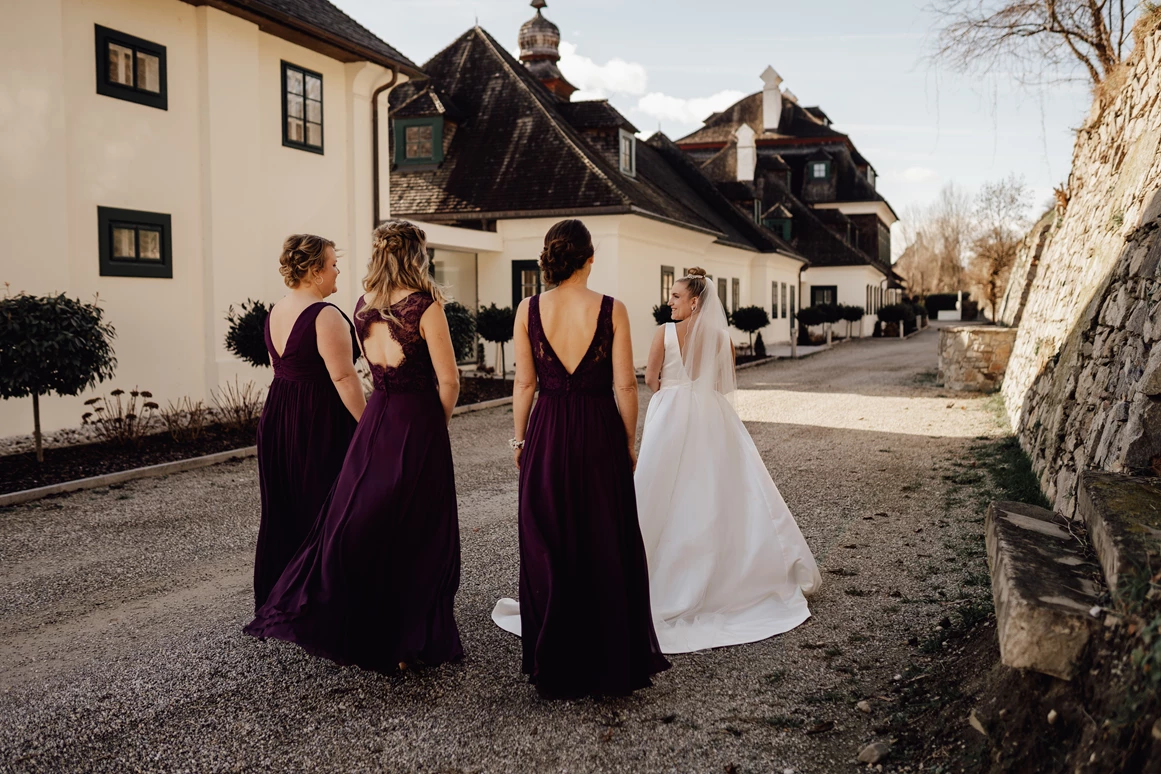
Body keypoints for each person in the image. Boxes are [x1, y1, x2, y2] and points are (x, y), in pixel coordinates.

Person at [246, 220, 463, 672]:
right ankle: (410, 638)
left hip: (376, 417)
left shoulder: (363, 306)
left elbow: (370, 371)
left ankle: (367, 619)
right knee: (421, 530)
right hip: (414, 418)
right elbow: (449, 380)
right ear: (416, 255)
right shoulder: (425, 305)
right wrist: (434, 425)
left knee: (367, 521)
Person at [491, 219, 670, 699]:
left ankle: (556, 657)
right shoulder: (612, 309)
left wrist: (519, 440)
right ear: (590, 258)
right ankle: (607, 657)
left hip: (546, 431)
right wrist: (628, 441)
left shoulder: (528, 309)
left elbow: (524, 384)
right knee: (603, 539)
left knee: (548, 537)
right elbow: (626, 385)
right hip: (597, 431)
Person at [635, 268, 821, 654]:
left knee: (660, 490)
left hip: (668, 415)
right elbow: (723, 384)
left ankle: (656, 574)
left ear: (694, 301)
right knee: (715, 492)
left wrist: (673, 391)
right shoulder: (722, 339)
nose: (669, 302)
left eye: (675, 296)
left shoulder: (662, 334)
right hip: (709, 415)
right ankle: (728, 576)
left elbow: (651, 379)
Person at [253, 234, 364, 611]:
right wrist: (368, 425)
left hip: (278, 415)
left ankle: (284, 595)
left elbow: (279, 368)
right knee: (329, 504)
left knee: (287, 506)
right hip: (319, 419)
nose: (338, 272)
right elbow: (344, 378)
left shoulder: (276, 310)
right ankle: (323, 599)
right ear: (315, 271)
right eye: (333, 265)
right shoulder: (325, 314)